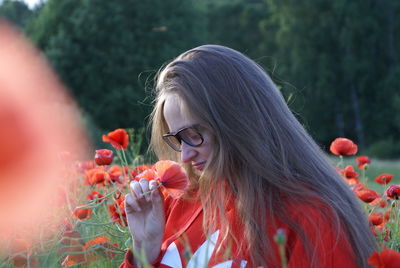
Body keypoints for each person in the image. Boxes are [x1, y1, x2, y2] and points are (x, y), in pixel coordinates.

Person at [121, 45, 376, 268]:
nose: (185, 156)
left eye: (195, 134)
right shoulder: (181, 200)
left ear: (238, 123)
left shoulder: (313, 218)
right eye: (177, 138)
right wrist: (144, 251)